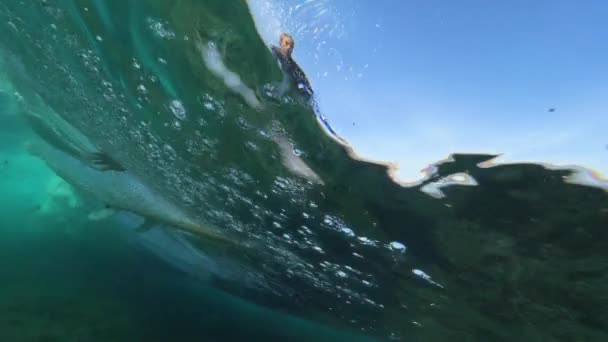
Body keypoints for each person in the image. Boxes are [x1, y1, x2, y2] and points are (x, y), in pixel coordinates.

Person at [271, 33, 314, 101]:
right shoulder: (274, 50)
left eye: (291, 46)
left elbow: (303, 78)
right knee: (286, 85)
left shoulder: (292, 64)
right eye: (286, 43)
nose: (289, 47)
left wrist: (309, 89)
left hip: (291, 85)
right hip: (281, 83)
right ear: (280, 43)